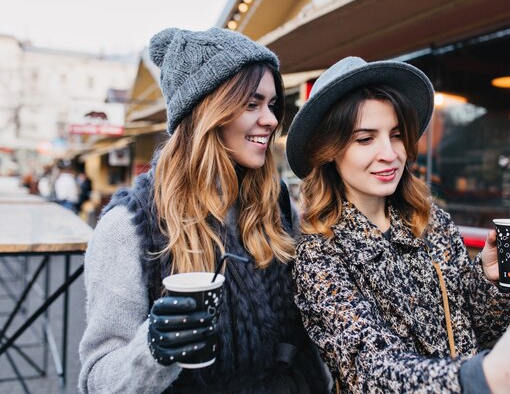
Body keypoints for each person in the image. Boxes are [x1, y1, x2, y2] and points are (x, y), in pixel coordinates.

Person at [286, 56, 510, 394]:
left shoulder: (429, 219)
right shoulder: (319, 253)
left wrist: (492, 279)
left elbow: (478, 330)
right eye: (365, 139)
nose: (389, 153)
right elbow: (372, 372)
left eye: (396, 135)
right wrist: (484, 376)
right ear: (330, 150)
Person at [79, 28, 331, 394]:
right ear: (207, 111)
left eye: (273, 105)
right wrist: (155, 350)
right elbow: (98, 380)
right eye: (252, 104)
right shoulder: (129, 226)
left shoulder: (276, 205)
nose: (272, 120)